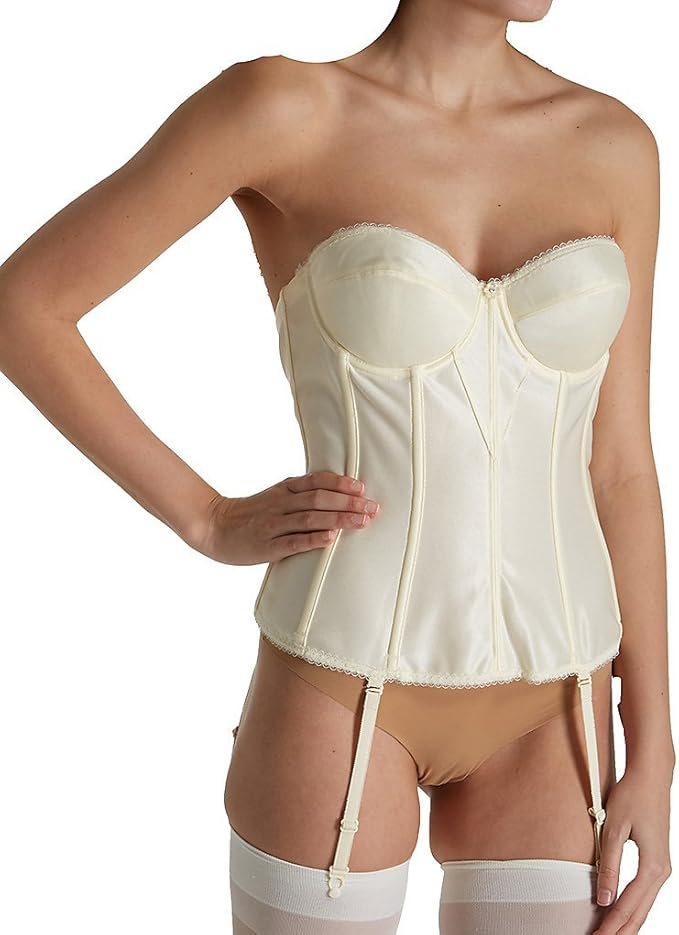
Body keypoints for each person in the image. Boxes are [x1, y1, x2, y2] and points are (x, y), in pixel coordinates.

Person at [0, 0, 674, 932]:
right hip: (340, 682)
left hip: (558, 705)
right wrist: (203, 515)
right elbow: (24, 307)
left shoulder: (615, 145)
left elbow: (620, 467)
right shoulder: (284, 109)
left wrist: (654, 745)